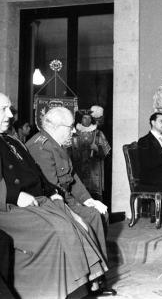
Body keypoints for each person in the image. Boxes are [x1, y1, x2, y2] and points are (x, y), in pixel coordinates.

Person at [0, 93, 111, 298]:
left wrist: (60, 195)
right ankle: (69, 288)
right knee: (61, 227)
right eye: (4, 109)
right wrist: (16, 196)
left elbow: (44, 177)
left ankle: (89, 282)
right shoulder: (40, 145)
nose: (10, 114)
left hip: (39, 198)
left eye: (9, 108)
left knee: (78, 220)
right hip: (11, 205)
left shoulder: (12, 142)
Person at [26, 107, 116, 295]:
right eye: (69, 127)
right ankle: (94, 280)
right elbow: (52, 188)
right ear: (56, 127)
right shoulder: (40, 147)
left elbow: (72, 178)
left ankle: (97, 276)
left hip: (64, 197)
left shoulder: (56, 144)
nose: (73, 131)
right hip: (52, 202)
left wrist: (89, 200)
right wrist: (78, 206)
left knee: (98, 211)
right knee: (92, 217)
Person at [70, 109, 111, 201]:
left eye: (89, 118)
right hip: (78, 169)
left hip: (94, 171)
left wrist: (97, 149)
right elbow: (68, 152)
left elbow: (106, 152)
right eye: (84, 118)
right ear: (81, 119)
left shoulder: (98, 134)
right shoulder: (74, 134)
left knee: (95, 196)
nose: (87, 120)